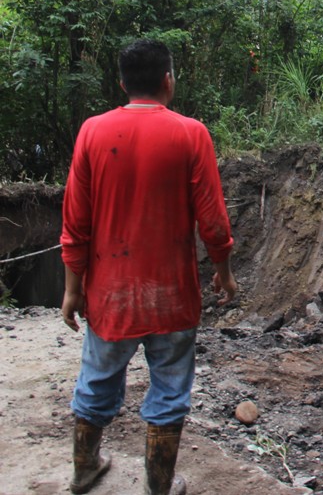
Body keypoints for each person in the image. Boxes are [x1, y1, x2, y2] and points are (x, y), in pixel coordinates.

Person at [60, 39, 236, 495]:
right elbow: (213, 221)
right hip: (172, 295)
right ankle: (158, 484)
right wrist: (223, 269)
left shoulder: (92, 132)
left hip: (109, 292)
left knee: (97, 381)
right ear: (168, 80)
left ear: (122, 82)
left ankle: (84, 470)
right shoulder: (191, 133)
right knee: (170, 388)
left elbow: (75, 223)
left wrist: (72, 288)